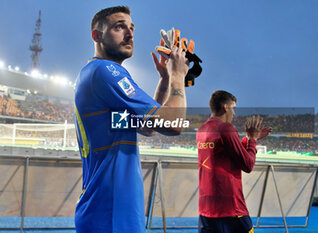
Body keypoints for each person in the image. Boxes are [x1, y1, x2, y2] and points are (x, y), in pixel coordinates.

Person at [74, 6, 189, 233]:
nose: (130, 34)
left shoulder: (94, 75)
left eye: (131, 28)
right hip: (111, 217)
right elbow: (174, 124)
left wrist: (165, 80)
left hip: (106, 214)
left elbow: (148, 128)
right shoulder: (106, 71)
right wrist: (178, 75)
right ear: (96, 36)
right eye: (119, 27)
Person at [196, 90, 272, 233]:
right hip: (231, 208)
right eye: (233, 108)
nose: (234, 113)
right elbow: (248, 165)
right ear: (226, 107)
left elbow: (225, 152)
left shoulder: (202, 129)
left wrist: (248, 139)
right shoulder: (226, 128)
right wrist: (253, 140)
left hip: (206, 209)